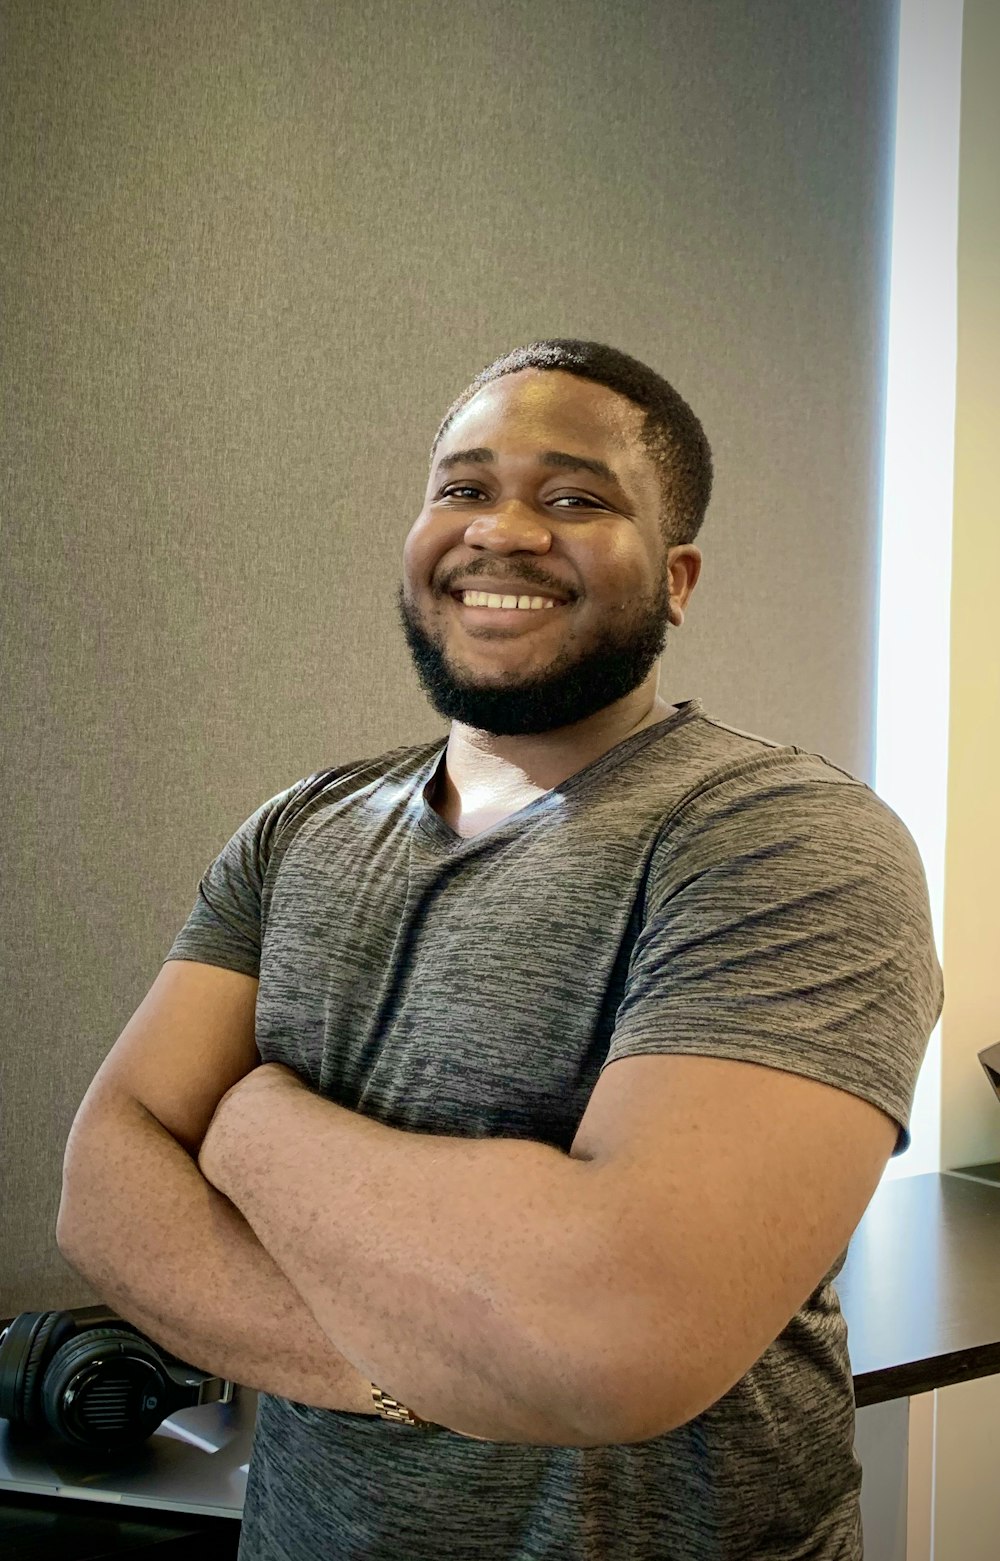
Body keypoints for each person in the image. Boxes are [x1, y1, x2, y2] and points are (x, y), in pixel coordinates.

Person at [163, 339, 944, 1558]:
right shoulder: (299, 829)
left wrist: (249, 1126)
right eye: (463, 488)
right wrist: (429, 1374)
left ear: (677, 580)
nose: (503, 530)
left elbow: (621, 1333)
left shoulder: (783, 839)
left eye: (574, 497)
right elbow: (105, 1195)